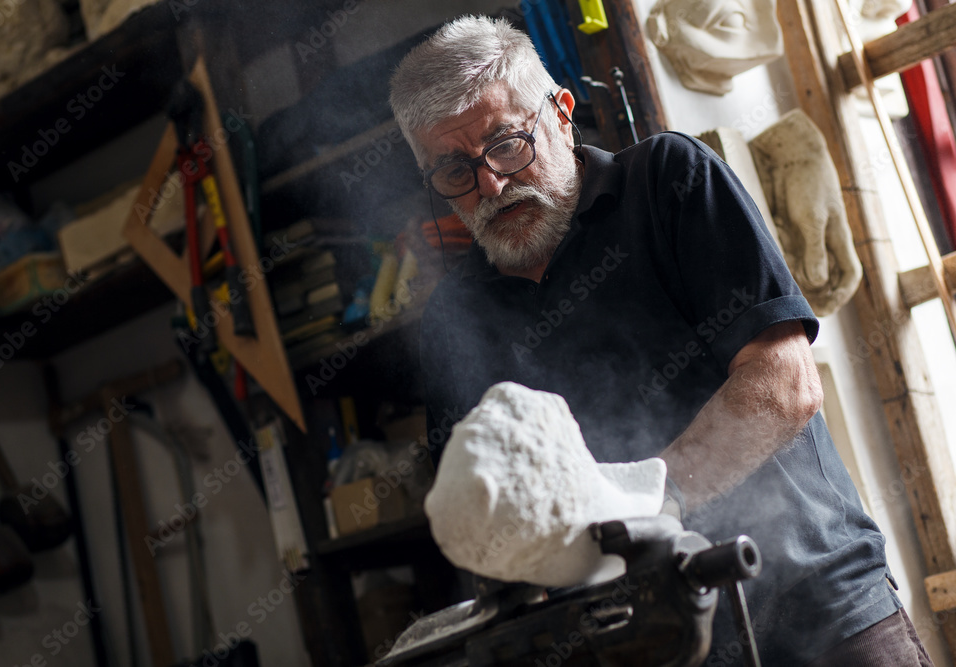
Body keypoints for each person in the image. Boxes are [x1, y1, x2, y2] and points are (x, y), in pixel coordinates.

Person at [389, 14, 933, 667]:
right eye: (454, 169)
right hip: (650, 643)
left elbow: (784, 384)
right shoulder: (455, 317)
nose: (492, 184)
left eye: (507, 143)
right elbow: (481, 507)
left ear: (561, 113)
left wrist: (650, 497)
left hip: (823, 614)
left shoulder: (669, 181)